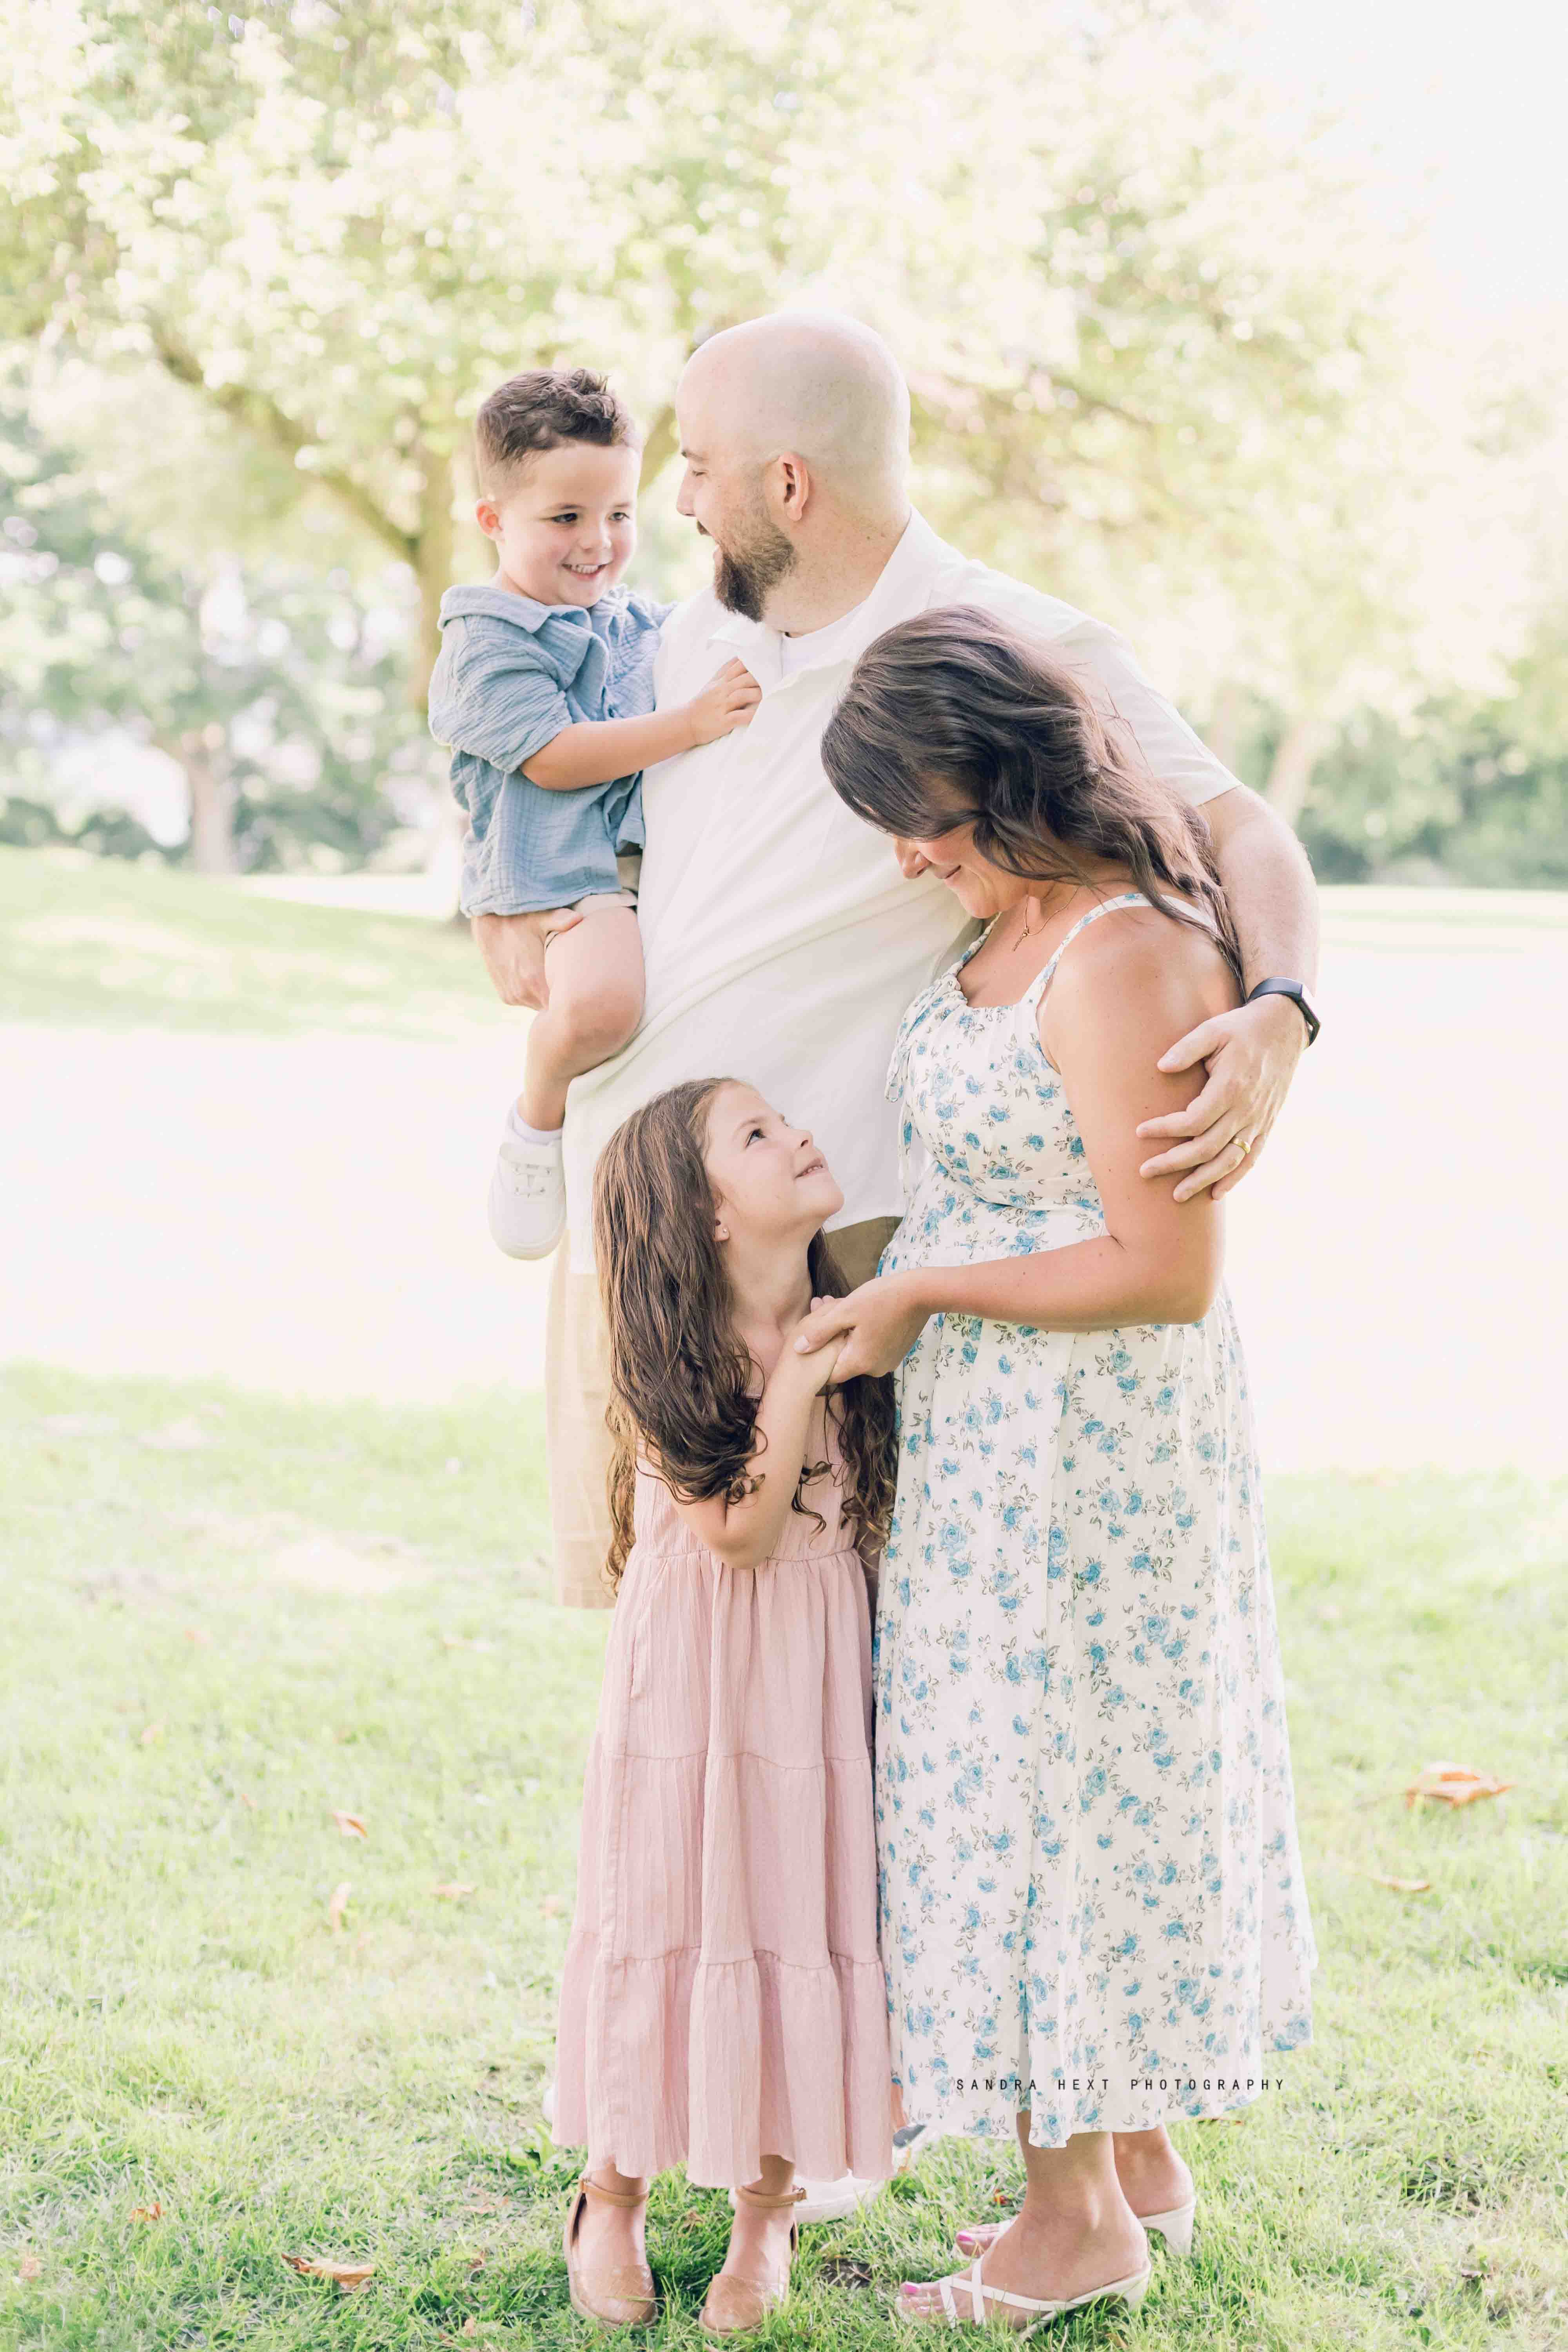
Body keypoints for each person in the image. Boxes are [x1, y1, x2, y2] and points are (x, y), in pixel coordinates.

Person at [465, 313, 1321, 1625]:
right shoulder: (679, 641)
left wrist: (1282, 1008)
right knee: (664, 1633)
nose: (675, 500)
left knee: (831, 1644)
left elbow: (1240, 827)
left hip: (828, 1225)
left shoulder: (1008, 643)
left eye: (698, 467)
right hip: (629, 1199)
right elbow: (541, 773)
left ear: (789, 486)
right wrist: (507, 898)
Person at [790, 606, 1319, 2334]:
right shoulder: (1006, 924)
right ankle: (1136, 2153)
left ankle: (1069, 2215)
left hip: (1090, 1454)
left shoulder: (1122, 955)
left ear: (1008, 778)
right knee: (1039, 1782)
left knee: (1040, 1795)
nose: (905, 850)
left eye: (920, 811)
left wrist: (922, 1288)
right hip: (996, 1443)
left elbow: (1165, 1266)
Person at [550, 1078, 897, 2334]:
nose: (803, 1132)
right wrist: (803, 1368)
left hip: (807, 1676)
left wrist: (838, 1342)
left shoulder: (867, 1316)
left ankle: (767, 2215)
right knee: (665, 1908)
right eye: (758, 1135)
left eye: (787, 1118)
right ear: (705, 1219)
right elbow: (740, 1533)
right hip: (691, 1676)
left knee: (789, 1901)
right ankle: (613, 2194)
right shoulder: (670, 1352)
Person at [427, 367, 759, 1256]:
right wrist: (688, 725)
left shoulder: (618, 617)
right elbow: (557, 757)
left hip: (626, 869)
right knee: (603, 1007)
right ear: (493, 521)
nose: (598, 542)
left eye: (617, 514)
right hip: (555, 872)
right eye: (565, 518)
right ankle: (534, 1121)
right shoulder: (486, 642)